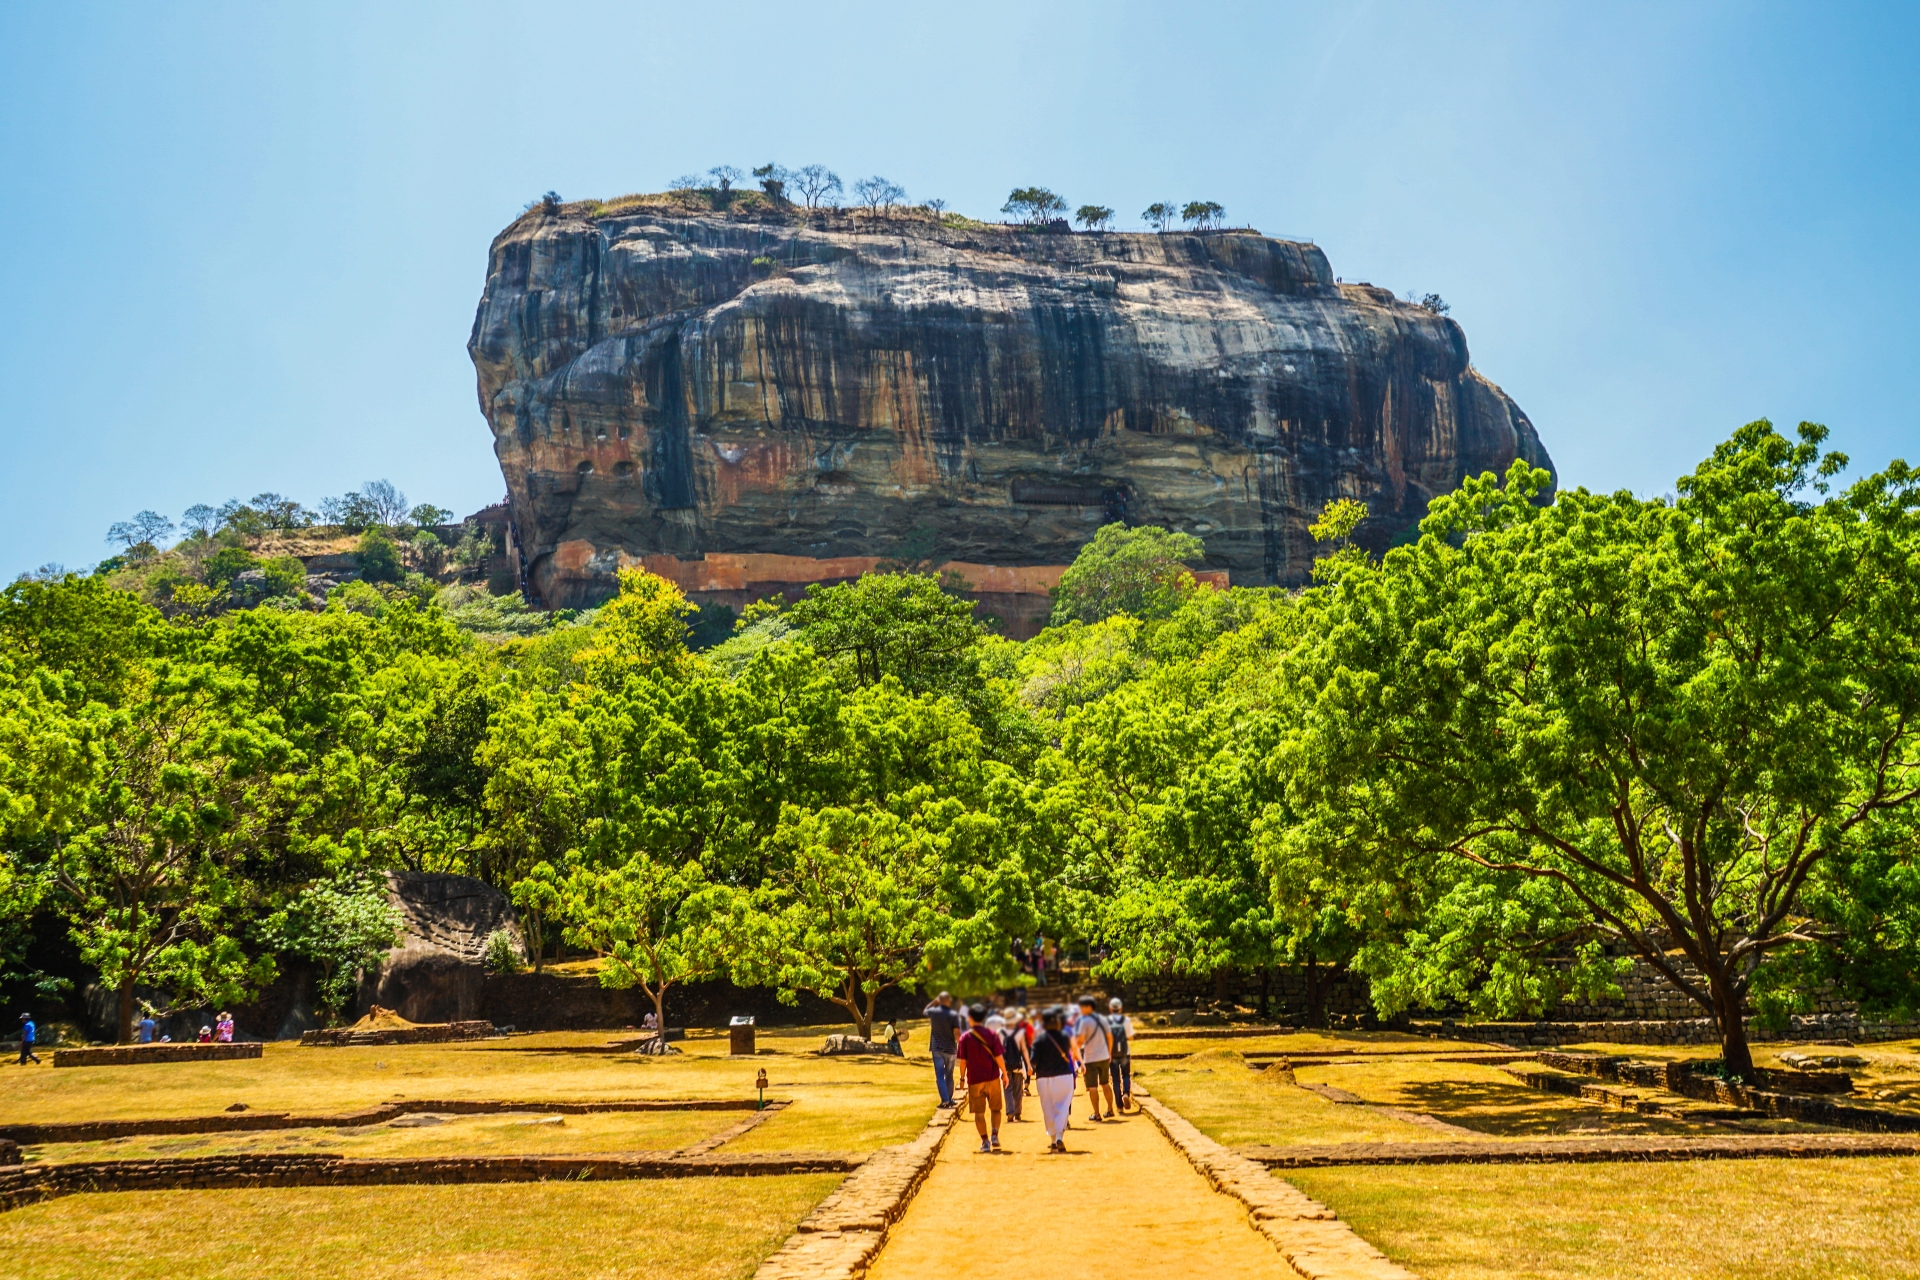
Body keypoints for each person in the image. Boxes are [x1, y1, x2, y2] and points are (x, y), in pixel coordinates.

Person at [955, 1004, 1008, 1153]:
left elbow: (963, 1061)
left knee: (979, 1113)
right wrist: (1004, 1073)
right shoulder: (992, 1035)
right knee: (996, 1109)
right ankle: (995, 1134)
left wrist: (962, 1079)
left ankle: (985, 1141)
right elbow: (999, 1056)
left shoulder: (965, 1038)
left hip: (974, 1080)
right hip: (992, 1078)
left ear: (970, 1018)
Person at [1030, 1007, 1078, 1152]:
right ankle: (1059, 1138)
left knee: (1048, 1108)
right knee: (1063, 1106)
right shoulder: (1064, 1036)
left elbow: (1034, 1060)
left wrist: (1030, 1069)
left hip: (1044, 1078)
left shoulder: (1039, 1039)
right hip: (1064, 1075)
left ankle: (1052, 1140)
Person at [1073, 995, 1118, 1121]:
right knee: (1105, 1084)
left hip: (1090, 1058)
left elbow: (1081, 1040)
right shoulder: (1102, 1019)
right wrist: (1109, 1052)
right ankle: (1110, 1109)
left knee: (1093, 1087)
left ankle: (1097, 1113)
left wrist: (1075, 1050)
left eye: (1082, 1006)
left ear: (1088, 1007)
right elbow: (1110, 1037)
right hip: (1104, 1057)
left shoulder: (1084, 1021)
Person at [923, 991, 963, 1108]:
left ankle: (945, 1100)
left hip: (937, 1048)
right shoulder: (953, 1014)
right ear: (948, 1001)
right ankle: (949, 1099)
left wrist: (934, 1002)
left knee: (940, 1075)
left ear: (939, 1001)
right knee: (949, 1075)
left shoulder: (933, 1012)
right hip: (950, 1048)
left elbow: (925, 1011)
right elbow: (957, 1033)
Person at [995, 1011, 1032, 1122]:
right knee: (1018, 1090)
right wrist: (1029, 1065)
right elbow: (1024, 1049)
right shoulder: (1020, 1032)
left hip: (1004, 1065)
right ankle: (1017, 1112)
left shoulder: (999, 1032)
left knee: (1007, 1088)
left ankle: (1010, 1112)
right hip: (1018, 1065)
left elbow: (997, 1051)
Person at [1107, 997, 1135, 1112]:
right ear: (1121, 1008)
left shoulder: (1107, 1021)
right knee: (1126, 1075)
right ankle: (1126, 1094)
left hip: (1112, 1054)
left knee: (1115, 1079)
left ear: (1110, 1008)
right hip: (1125, 1052)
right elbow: (1131, 1037)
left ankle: (1119, 1106)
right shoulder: (1126, 1020)